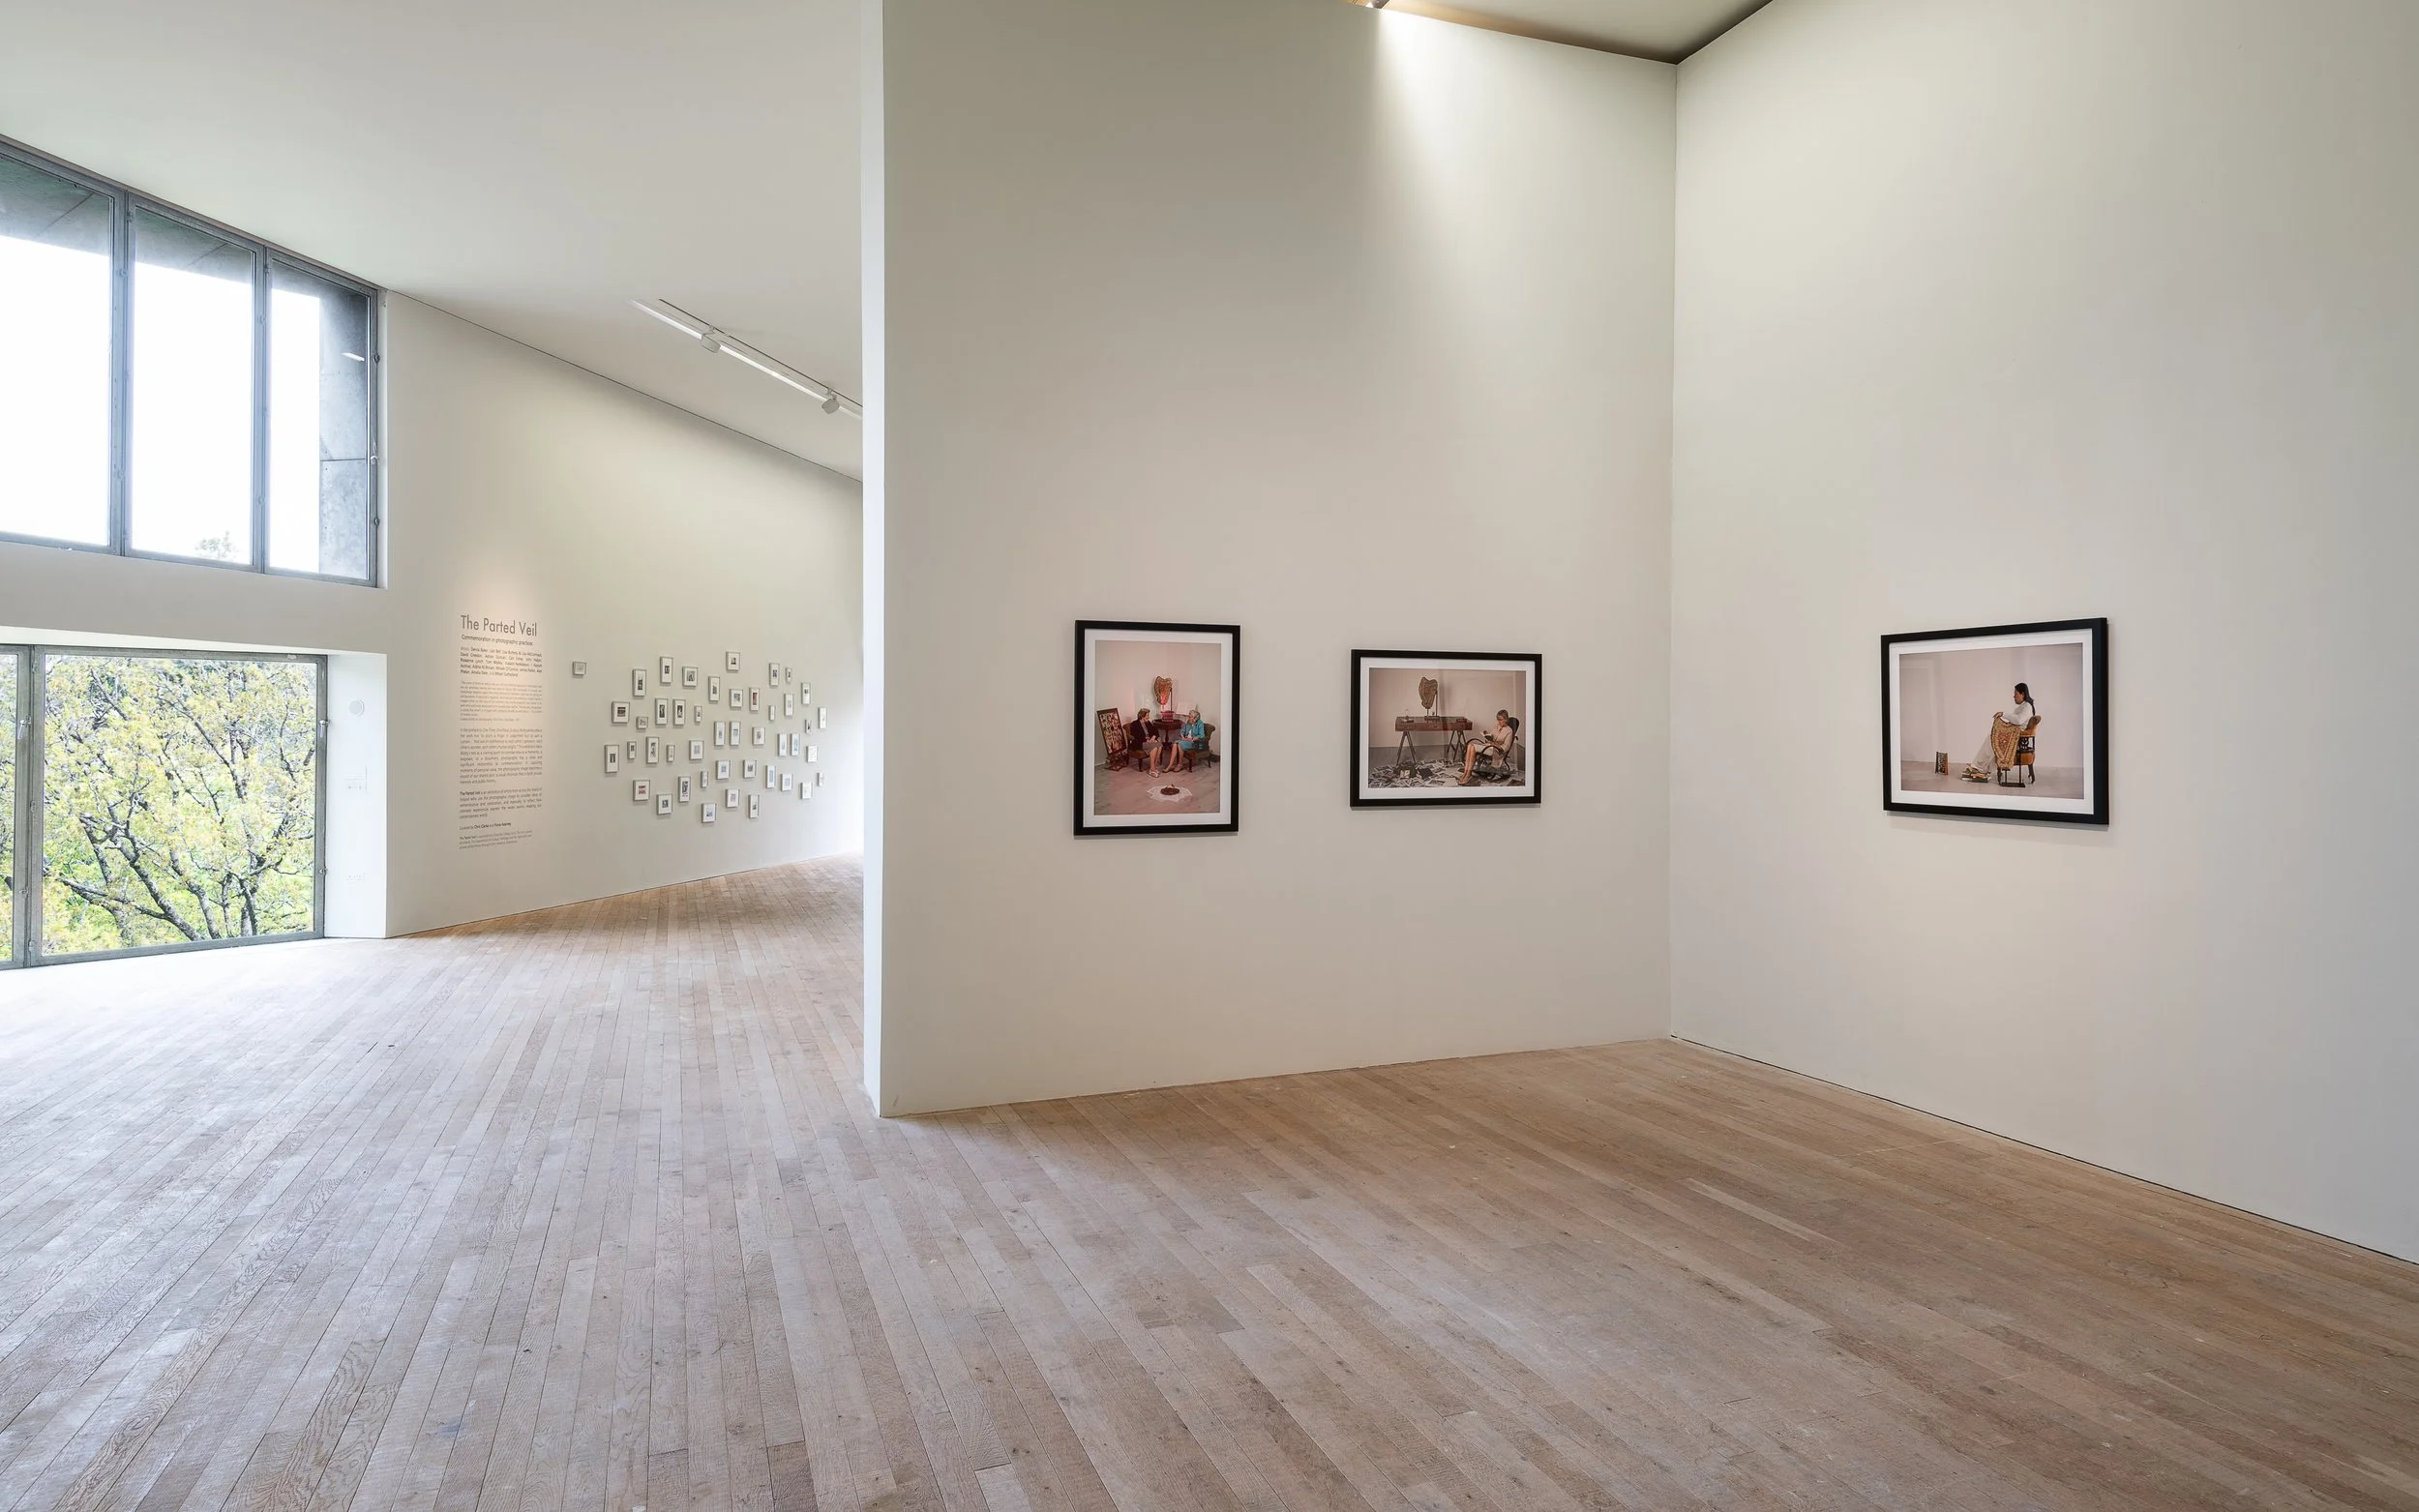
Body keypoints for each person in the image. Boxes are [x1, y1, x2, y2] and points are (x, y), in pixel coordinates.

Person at [1962, 682, 2037, 783]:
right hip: (2015, 735)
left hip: (2016, 739)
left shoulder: (2027, 706)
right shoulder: (2024, 706)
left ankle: (1979, 767)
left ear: (2023, 694)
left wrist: (2003, 714)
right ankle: (1982, 769)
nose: (2014, 696)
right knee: (1992, 737)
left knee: (1992, 738)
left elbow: (2018, 720)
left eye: (2016, 694)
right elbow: (2015, 720)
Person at [1458, 709, 1518, 786]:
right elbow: (1492, 736)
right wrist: (1487, 735)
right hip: (1489, 746)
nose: (1499, 722)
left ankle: (1468, 775)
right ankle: (1465, 773)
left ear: (1506, 719)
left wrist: (1497, 745)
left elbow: (1506, 747)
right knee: (1470, 745)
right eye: (1498, 719)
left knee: (1472, 747)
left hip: (1496, 751)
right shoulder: (1497, 726)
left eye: (1501, 720)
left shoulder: (1509, 731)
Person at [1169, 707, 1210, 771]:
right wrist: (1182, 737)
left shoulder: (1200, 723)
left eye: (1190, 717)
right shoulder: (1188, 722)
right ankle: (1170, 765)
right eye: (1189, 716)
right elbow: (1183, 731)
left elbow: (1202, 735)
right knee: (1175, 744)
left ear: (1195, 718)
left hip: (1194, 742)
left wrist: (1192, 739)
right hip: (1185, 740)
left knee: (1179, 744)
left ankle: (1180, 764)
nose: (1188, 718)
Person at [1124, 707, 1163, 774]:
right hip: (1140, 742)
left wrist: (1153, 738)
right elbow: (1136, 736)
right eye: (1147, 715)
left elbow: (1155, 730)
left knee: (1160, 745)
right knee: (1154, 747)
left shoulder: (1148, 723)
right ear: (1142, 716)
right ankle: (1152, 769)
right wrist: (1147, 740)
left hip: (1149, 741)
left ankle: (1154, 766)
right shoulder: (1135, 724)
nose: (1149, 717)